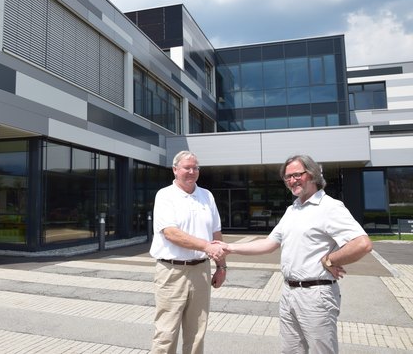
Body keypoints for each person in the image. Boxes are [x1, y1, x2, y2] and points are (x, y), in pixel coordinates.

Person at [219, 154, 373, 354]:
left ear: (312, 174)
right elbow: (269, 244)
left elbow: (362, 244)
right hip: (288, 293)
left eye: (297, 175)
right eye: (287, 177)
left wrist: (329, 260)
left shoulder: (329, 207)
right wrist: (230, 248)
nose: (292, 181)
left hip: (316, 295)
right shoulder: (292, 210)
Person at [149, 150, 226, 354]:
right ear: (175, 170)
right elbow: (171, 233)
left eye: (195, 168)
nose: (192, 172)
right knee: (166, 334)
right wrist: (206, 246)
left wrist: (221, 266)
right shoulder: (165, 195)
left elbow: (216, 233)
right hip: (172, 272)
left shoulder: (207, 195)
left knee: (197, 334)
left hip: (201, 271)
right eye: (187, 168)